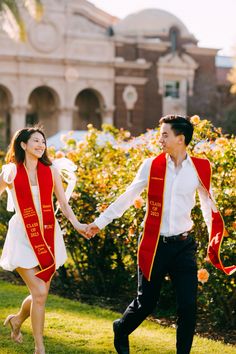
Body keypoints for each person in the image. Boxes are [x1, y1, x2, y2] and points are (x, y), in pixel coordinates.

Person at [85, 115, 235, 354]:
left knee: (188, 306)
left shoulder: (200, 168)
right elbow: (127, 197)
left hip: (184, 246)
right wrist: (98, 223)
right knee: (146, 303)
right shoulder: (151, 166)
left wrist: (213, 239)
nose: (160, 138)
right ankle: (121, 329)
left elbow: (208, 205)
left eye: (165, 134)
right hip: (154, 245)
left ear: (180, 139)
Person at [0, 127, 88, 354]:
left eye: (43, 141)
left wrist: (78, 225)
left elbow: (64, 204)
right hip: (22, 235)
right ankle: (40, 348)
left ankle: (18, 320)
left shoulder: (51, 171)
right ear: (23, 145)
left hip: (48, 234)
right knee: (39, 293)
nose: (41, 145)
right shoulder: (11, 172)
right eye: (35, 141)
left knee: (40, 294)